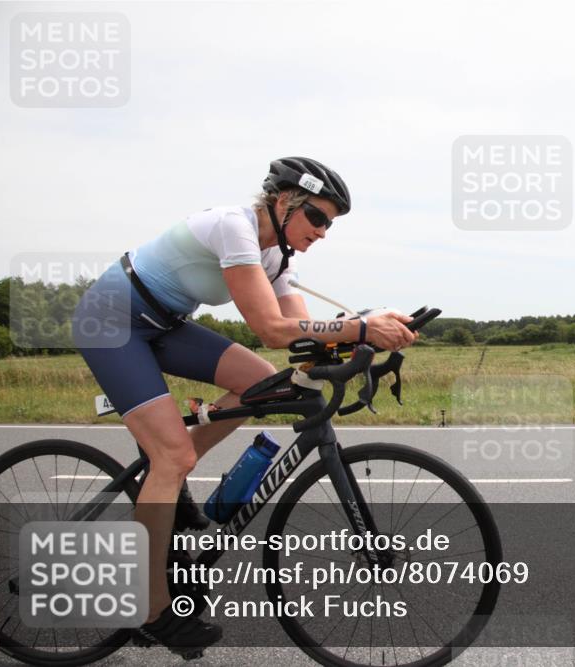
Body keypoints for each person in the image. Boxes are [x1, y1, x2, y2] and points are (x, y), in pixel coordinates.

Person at [71, 157, 417, 656]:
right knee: (173, 457)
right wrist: (362, 327)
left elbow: (299, 339)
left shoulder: (276, 259)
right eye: (316, 217)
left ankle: (166, 478)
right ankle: (150, 609)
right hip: (111, 319)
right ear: (283, 202)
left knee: (262, 383)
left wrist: (361, 337)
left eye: (330, 224)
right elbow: (270, 329)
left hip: (163, 321)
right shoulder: (236, 228)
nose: (322, 232)